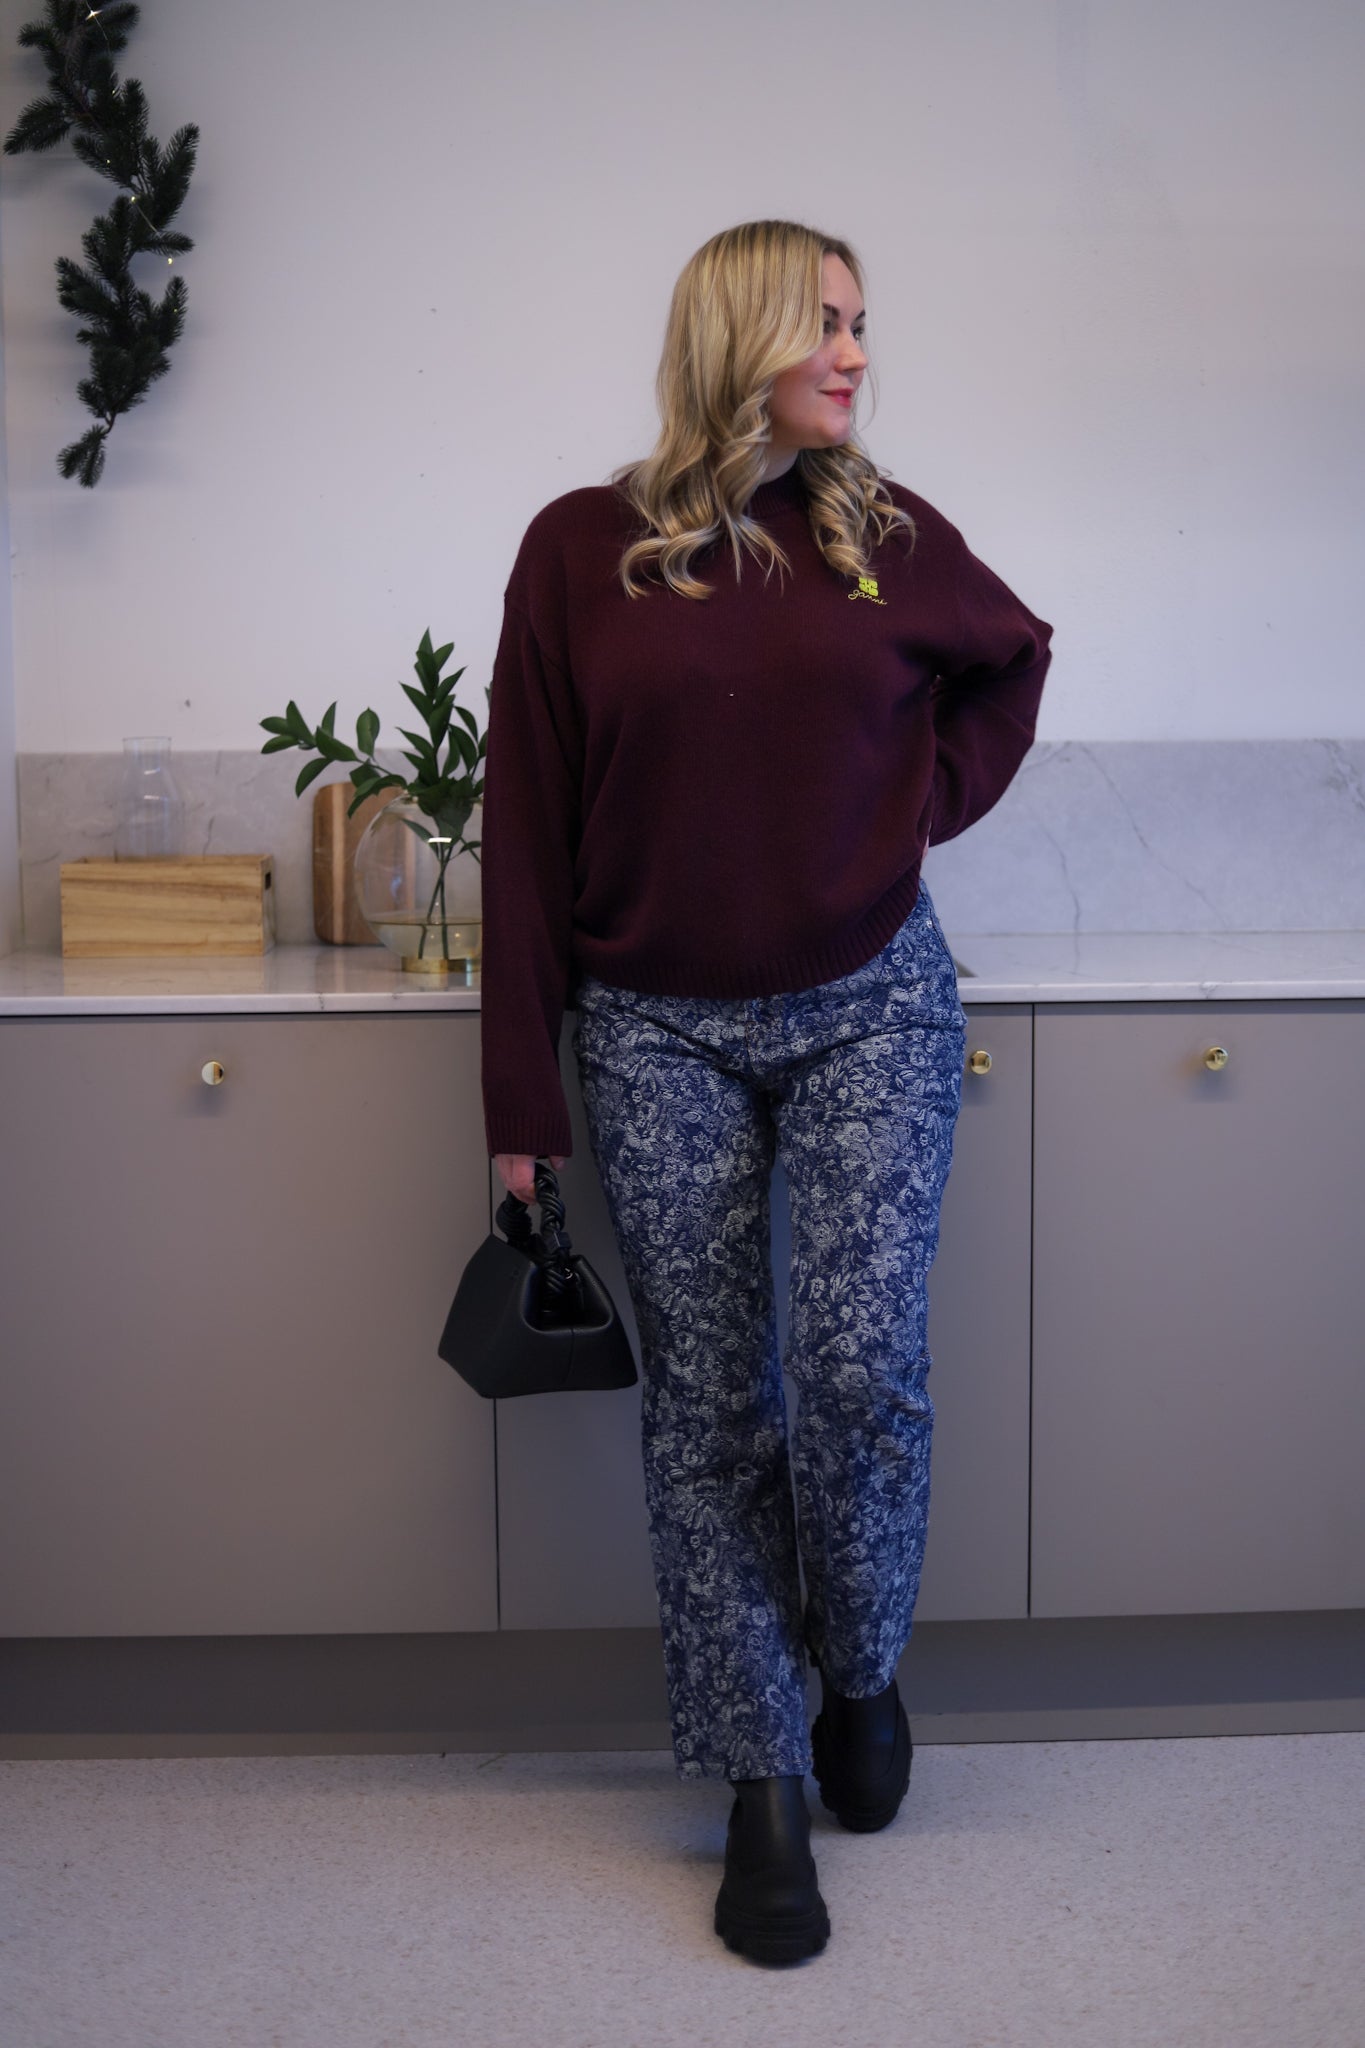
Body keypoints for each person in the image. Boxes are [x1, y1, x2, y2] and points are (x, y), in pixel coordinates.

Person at [479, 219, 1053, 1966]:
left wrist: (907, 809)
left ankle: (857, 1667)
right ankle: (757, 1782)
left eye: (864, 325)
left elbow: (1013, 656)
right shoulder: (578, 552)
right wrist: (520, 1102)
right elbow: (525, 831)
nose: (858, 354)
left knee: (863, 1368)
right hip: (654, 1026)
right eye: (828, 323)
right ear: (739, 334)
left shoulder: (884, 535)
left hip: (872, 1003)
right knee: (710, 1410)